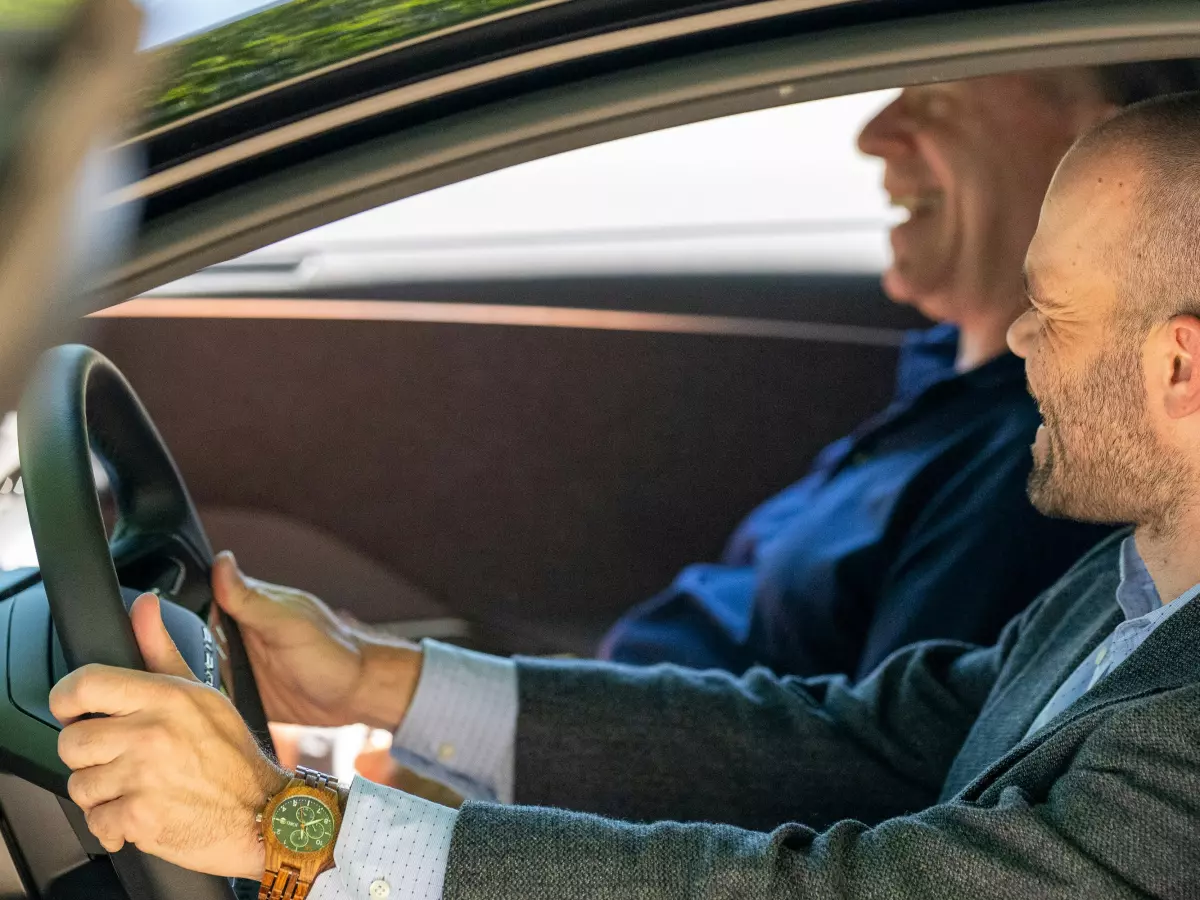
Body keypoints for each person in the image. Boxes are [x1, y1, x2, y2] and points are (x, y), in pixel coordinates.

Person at [49, 89, 1200, 899]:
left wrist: (286, 828)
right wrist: (376, 677)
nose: (1012, 340)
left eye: (1052, 312)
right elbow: (857, 744)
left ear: (1180, 370)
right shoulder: (1134, 586)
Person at [599, 65, 1200, 678]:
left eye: (938, 91)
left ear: (1102, 152)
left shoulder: (1058, 453)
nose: (874, 134)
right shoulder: (948, 374)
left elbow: (882, 757)